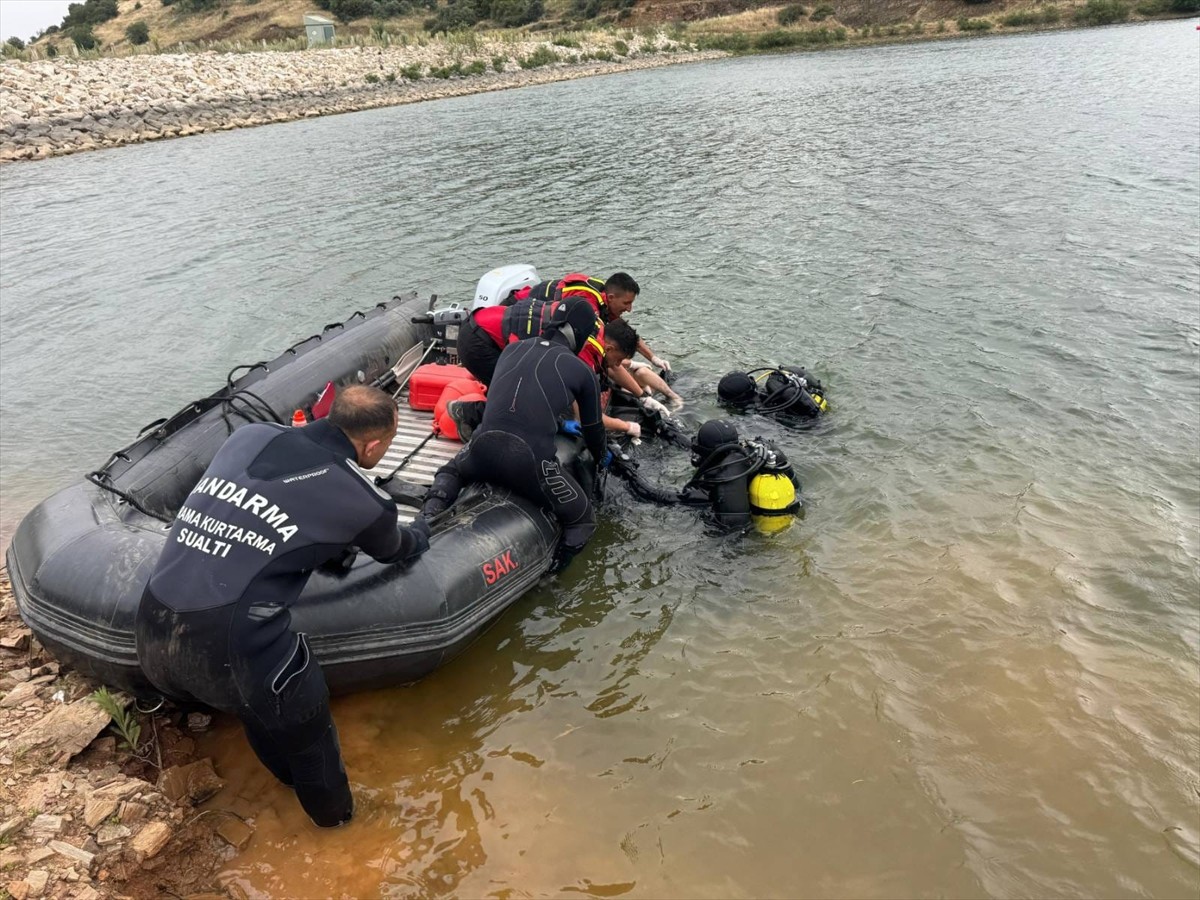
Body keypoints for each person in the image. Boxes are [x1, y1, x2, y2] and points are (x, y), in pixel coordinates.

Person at [135, 385, 431, 828]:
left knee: (257, 701)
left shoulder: (249, 437)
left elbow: (273, 510)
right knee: (310, 741)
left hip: (150, 630)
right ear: (373, 444)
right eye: (385, 446)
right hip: (231, 647)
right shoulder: (361, 500)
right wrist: (426, 529)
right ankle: (340, 834)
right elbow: (396, 549)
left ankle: (286, 787)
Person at [423, 302, 607, 574]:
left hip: (481, 451)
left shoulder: (511, 349)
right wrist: (601, 460)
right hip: (529, 466)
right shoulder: (581, 370)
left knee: (452, 469)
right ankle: (552, 577)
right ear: (579, 333)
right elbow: (594, 430)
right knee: (583, 521)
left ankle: (426, 519)